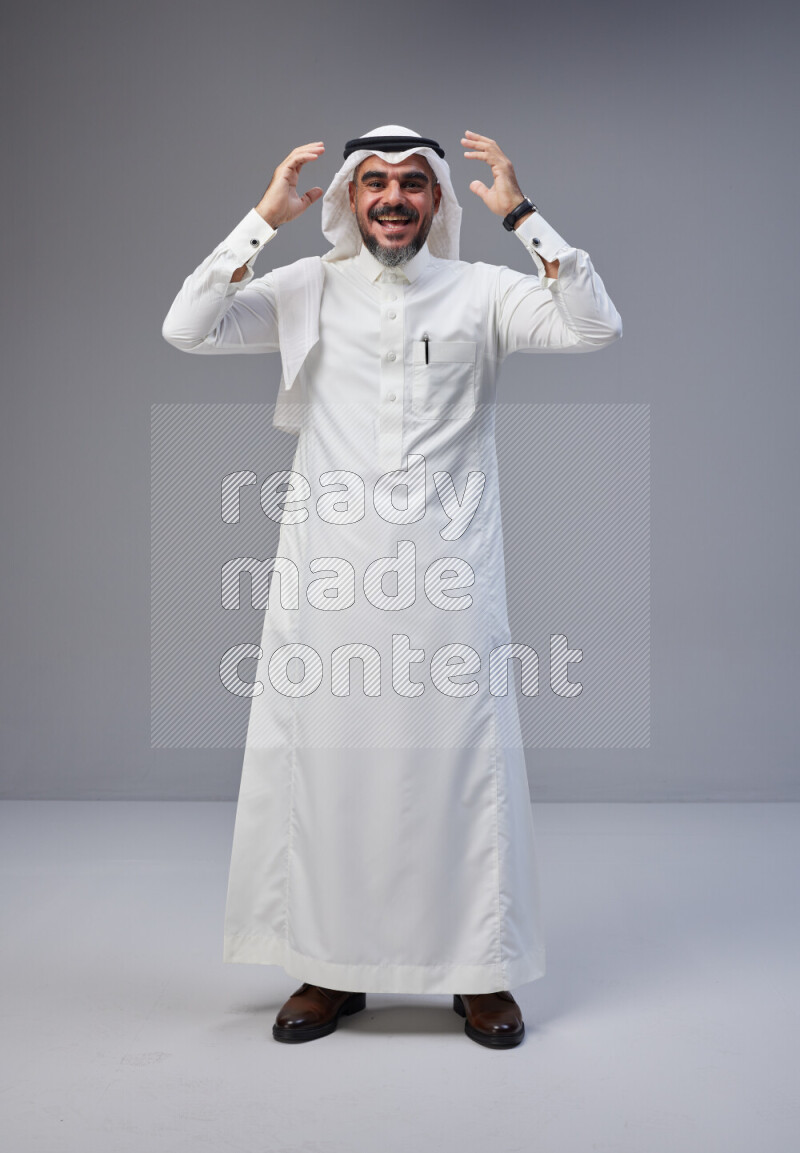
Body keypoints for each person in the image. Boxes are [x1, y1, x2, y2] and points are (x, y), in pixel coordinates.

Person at [162, 125, 622, 1049]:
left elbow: (593, 325)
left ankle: (477, 972)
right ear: (347, 200)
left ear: (440, 200)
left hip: (451, 578)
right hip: (328, 577)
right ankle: (331, 967)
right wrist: (262, 220)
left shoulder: (483, 292)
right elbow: (186, 327)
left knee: (458, 771)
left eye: (414, 182)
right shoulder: (304, 289)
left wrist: (523, 217)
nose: (394, 197)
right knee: (334, 770)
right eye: (373, 182)